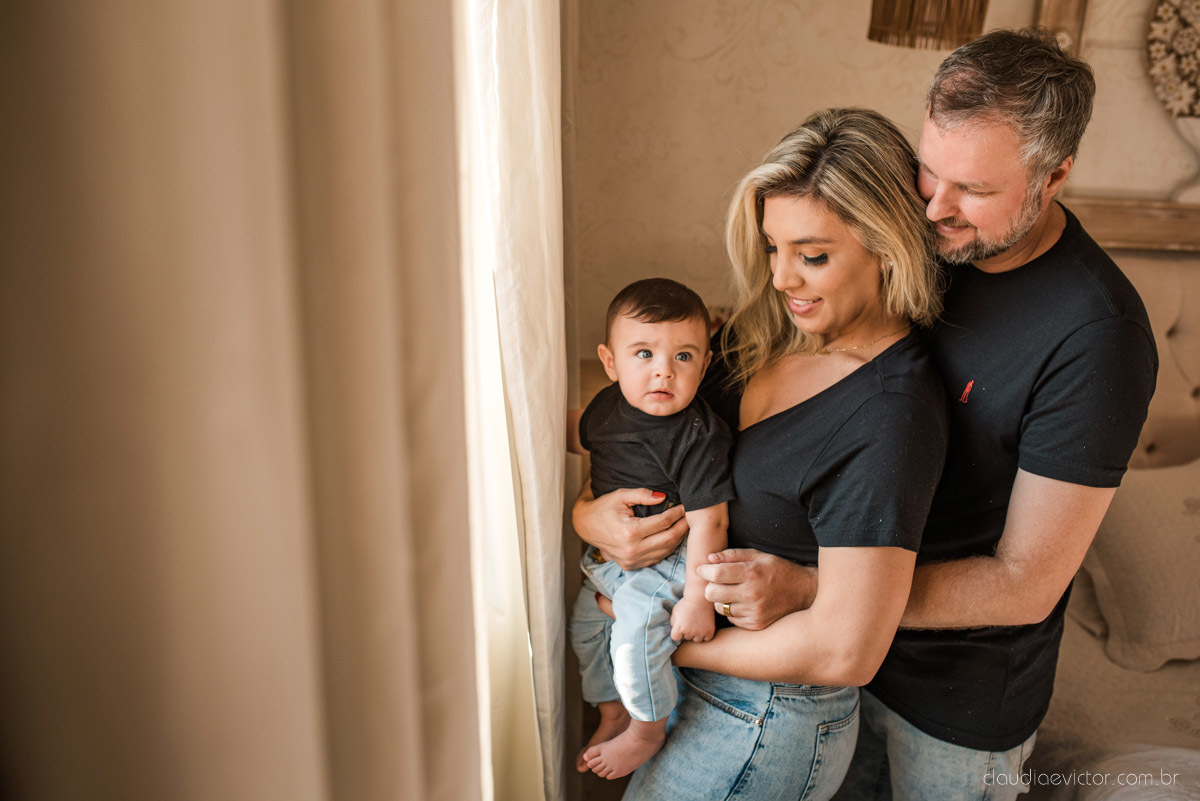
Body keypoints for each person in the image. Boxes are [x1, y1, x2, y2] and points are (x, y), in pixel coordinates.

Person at [580, 29, 1159, 801]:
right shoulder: (914, 239)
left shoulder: (1096, 335)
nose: (937, 208)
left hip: (952, 698)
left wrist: (818, 591)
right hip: (820, 661)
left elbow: (1026, 582)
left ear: (1056, 175)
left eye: (975, 190)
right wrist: (594, 518)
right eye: (930, 171)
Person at [576, 107, 948, 800]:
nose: (781, 278)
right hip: (690, 680)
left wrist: (647, 634)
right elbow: (644, 441)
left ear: (886, 248)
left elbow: (847, 650)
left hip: (765, 717)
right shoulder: (757, 334)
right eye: (773, 247)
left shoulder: (892, 412)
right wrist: (590, 518)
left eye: (812, 256)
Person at [566, 277, 735, 780]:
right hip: (608, 559)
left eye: (683, 357)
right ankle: (611, 710)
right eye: (644, 353)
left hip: (673, 559)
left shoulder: (699, 434)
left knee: (635, 635)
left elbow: (714, 521)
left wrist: (698, 598)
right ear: (611, 361)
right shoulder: (605, 408)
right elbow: (576, 434)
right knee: (585, 627)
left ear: (704, 365)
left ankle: (646, 730)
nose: (663, 370)